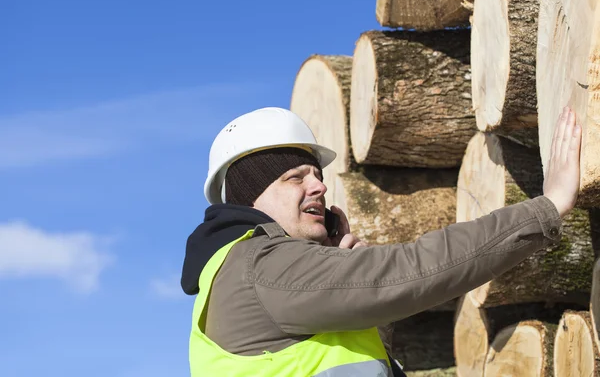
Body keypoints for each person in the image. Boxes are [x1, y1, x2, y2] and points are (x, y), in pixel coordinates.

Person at [181, 106, 582, 376]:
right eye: (295, 177)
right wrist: (547, 208)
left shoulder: (237, 271)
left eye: (317, 175)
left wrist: (363, 309)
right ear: (250, 197)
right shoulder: (261, 264)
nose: (318, 186)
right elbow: (414, 269)